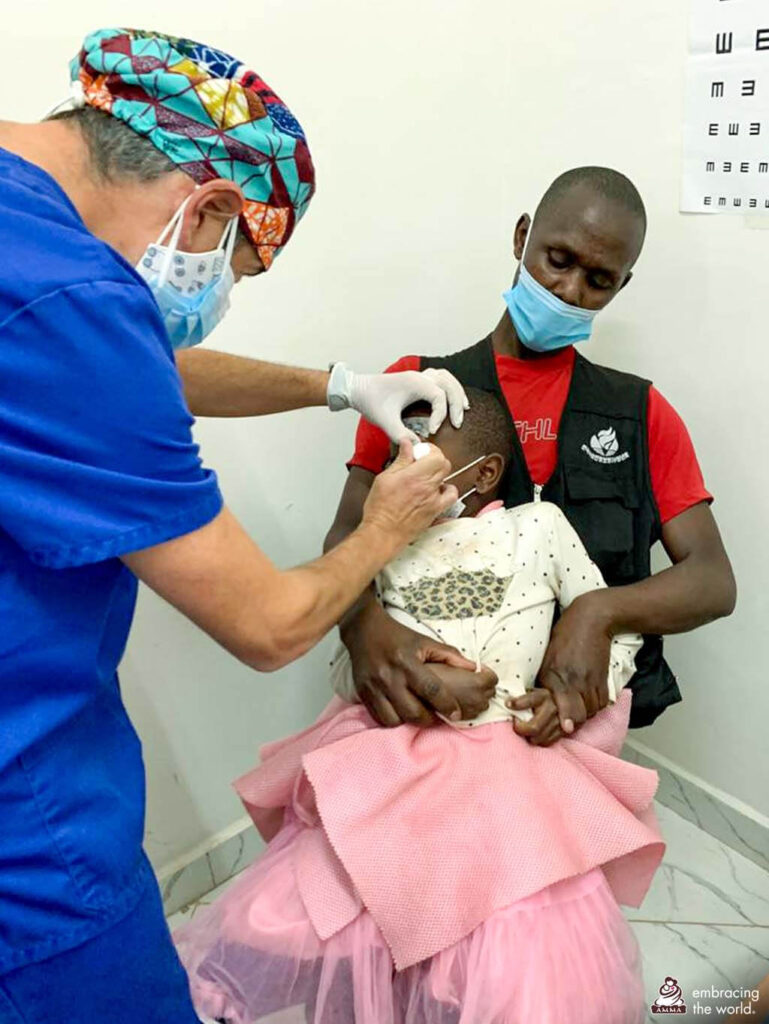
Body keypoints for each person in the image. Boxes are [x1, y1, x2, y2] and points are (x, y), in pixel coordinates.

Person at [0, 28, 492, 1024]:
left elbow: (118, 372)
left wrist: (343, 386)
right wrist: (384, 528)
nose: (215, 295)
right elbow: (268, 624)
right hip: (29, 831)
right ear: (213, 207)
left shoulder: (31, 238)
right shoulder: (72, 300)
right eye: (238, 267)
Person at [174, 389, 666, 1024]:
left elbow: (615, 629)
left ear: (484, 472)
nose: (396, 477)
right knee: (320, 907)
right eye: (391, 462)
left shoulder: (536, 528)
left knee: (520, 958)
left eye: (418, 457)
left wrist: (568, 700)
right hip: (404, 760)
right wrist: (412, 681)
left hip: (511, 765)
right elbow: (352, 669)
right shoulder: (384, 550)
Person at [326, 165, 736, 734]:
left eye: (598, 279)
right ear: (522, 238)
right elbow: (348, 532)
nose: (569, 290)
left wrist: (601, 611)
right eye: (558, 260)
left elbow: (712, 579)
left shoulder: (641, 414)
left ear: (621, 285)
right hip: (433, 711)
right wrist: (362, 625)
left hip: (571, 718)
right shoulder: (413, 389)